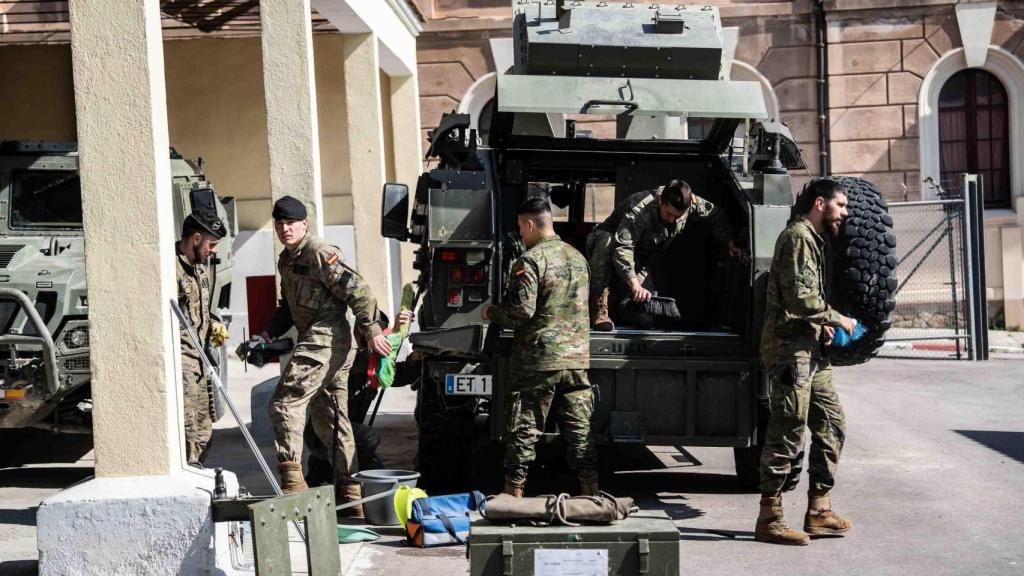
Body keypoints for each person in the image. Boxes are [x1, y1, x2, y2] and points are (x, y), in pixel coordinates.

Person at [259, 195, 391, 517]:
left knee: (284, 402)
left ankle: (293, 487)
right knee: (330, 420)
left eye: (290, 223)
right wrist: (266, 334)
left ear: (304, 224)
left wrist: (372, 330)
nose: (284, 229)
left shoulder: (320, 252)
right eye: (279, 224)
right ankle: (351, 495)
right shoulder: (286, 261)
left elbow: (358, 289)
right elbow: (287, 308)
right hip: (314, 339)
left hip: (327, 337)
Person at [755, 177, 857, 546]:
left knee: (832, 423)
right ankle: (769, 517)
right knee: (788, 431)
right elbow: (800, 298)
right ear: (819, 203)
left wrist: (821, 326)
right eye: (840, 205)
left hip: (810, 348)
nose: (844, 212)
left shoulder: (813, 240)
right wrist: (836, 318)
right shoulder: (798, 237)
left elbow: (805, 299)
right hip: (789, 352)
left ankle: (819, 510)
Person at [482, 197, 598, 497]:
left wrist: (492, 312)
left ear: (531, 224)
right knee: (580, 431)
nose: (521, 234)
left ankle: (513, 493)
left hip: (538, 360)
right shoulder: (578, 258)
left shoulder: (531, 261)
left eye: (521, 227)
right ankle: (590, 492)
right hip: (577, 360)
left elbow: (522, 310)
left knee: (523, 427)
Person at [585, 180, 744, 330]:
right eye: (669, 214)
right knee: (605, 242)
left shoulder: (691, 205)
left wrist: (730, 242)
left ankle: (619, 305)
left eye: (678, 216)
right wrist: (634, 284)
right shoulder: (640, 210)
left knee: (645, 319)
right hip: (613, 248)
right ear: (661, 201)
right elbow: (622, 247)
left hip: (640, 257)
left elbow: (715, 215)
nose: (672, 219)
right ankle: (599, 306)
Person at [175, 208, 227, 466]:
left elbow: (201, 311)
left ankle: (197, 468)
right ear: (196, 239)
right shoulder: (172, 269)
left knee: (205, 427)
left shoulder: (199, 268)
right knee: (187, 428)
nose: (214, 250)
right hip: (182, 361)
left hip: (201, 361)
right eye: (212, 244)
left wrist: (214, 324)